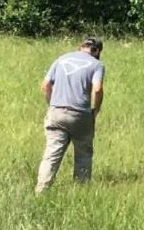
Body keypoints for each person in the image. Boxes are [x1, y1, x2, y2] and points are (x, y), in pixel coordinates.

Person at [36, 36, 105, 192]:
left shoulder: (61, 59)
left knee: (52, 153)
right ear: (96, 51)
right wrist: (96, 110)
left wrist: (52, 105)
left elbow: (45, 85)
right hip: (80, 115)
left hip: (56, 112)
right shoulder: (97, 65)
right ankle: (80, 192)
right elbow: (98, 89)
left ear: (81, 47)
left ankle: (41, 189)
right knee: (83, 154)